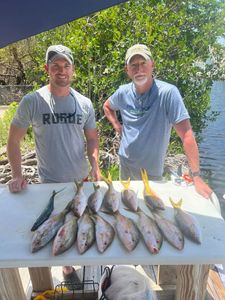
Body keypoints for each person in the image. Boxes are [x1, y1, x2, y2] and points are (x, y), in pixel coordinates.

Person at [7, 44, 101, 287]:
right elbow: (13, 140)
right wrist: (17, 175)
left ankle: (83, 262)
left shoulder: (84, 103)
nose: (62, 71)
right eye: (56, 66)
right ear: (46, 69)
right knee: (55, 232)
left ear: (73, 70)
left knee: (82, 226)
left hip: (81, 181)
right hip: (49, 184)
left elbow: (92, 138)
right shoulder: (33, 101)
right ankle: (67, 267)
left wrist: (95, 166)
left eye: (66, 66)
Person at [103, 44, 212, 199]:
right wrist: (117, 126)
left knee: (150, 211)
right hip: (125, 164)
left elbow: (187, 135)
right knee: (127, 207)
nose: (139, 69)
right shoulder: (123, 92)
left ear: (152, 65)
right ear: (126, 70)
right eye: (133, 65)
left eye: (143, 63)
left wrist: (196, 176)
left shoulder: (168, 93)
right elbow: (107, 106)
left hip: (151, 171)